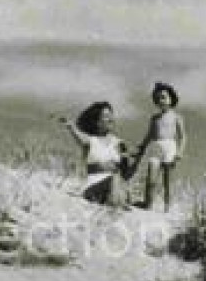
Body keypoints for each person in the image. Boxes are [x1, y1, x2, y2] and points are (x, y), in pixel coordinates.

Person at [58, 101, 131, 207]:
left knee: (118, 182)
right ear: (97, 122)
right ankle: (115, 205)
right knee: (114, 179)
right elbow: (78, 136)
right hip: (93, 187)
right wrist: (70, 127)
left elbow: (126, 173)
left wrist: (133, 159)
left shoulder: (120, 143)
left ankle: (118, 202)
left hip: (116, 186)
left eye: (111, 115)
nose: (111, 119)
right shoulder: (90, 141)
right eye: (106, 116)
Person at [133, 81, 185, 211]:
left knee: (168, 180)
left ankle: (168, 207)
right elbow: (149, 135)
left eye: (164, 97)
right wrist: (142, 147)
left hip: (170, 146)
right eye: (158, 98)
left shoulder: (176, 117)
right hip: (156, 146)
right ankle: (148, 204)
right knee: (151, 178)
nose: (161, 100)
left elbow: (183, 136)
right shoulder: (154, 118)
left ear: (171, 99)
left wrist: (180, 152)